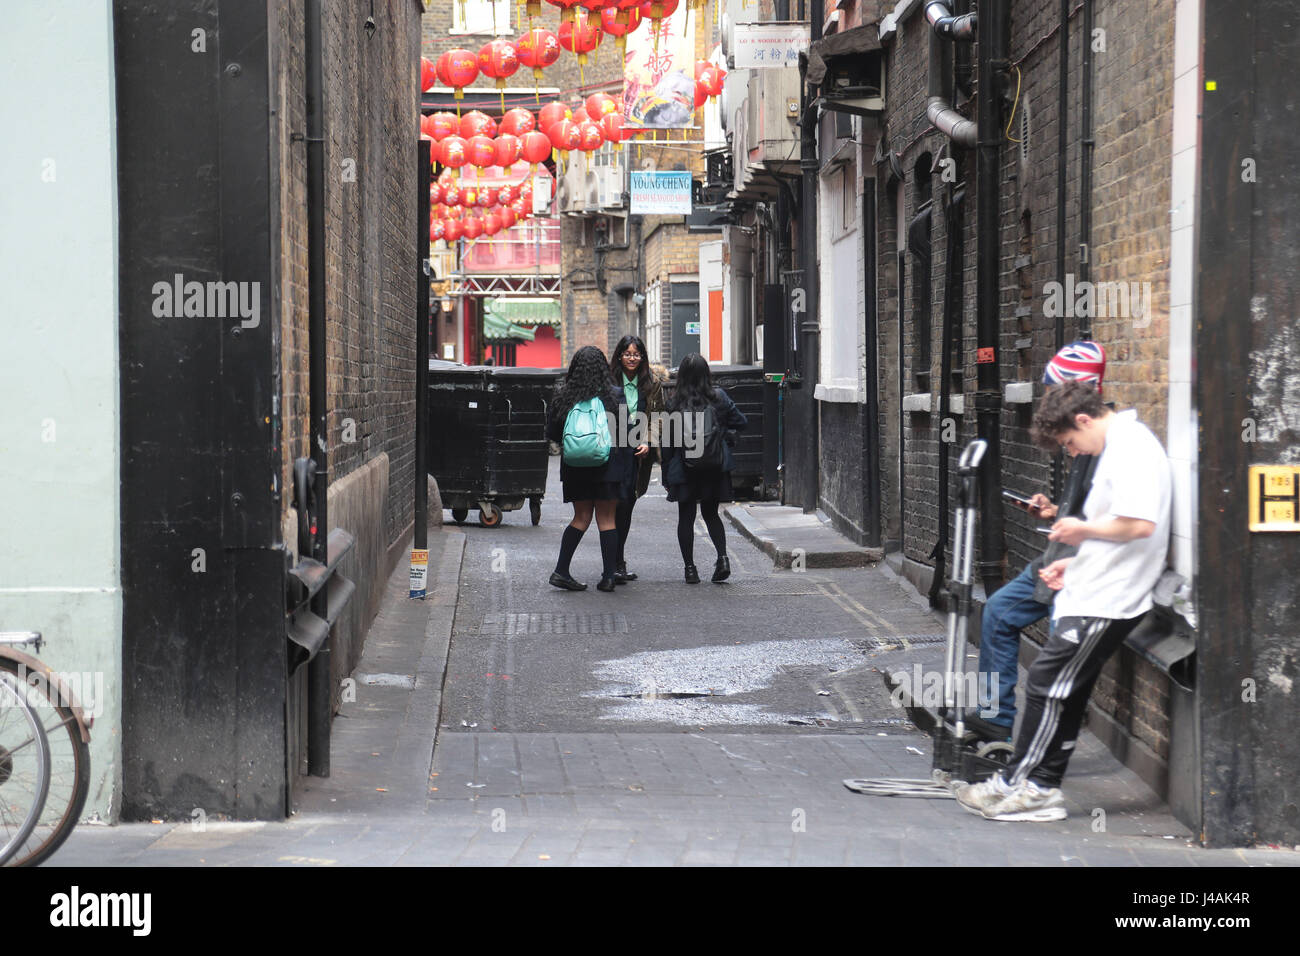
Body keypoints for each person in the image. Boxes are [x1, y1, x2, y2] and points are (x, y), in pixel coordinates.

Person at [956, 380, 1171, 822]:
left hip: (1110, 600)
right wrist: (1071, 565)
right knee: (1061, 691)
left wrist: (1080, 531)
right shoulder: (1113, 447)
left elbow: (1141, 525)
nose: (1072, 451)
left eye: (1070, 441)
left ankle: (1029, 786)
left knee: (1046, 685)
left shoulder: (1133, 449)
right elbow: (1118, 527)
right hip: (1091, 588)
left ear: (1084, 419)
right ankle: (1029, 784)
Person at [967, 341, 1107, 742]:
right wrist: (1054, 512)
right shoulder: (1083, 439)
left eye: (1054, 390)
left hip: (1081, 568)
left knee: (1055, 666)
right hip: (1058, 558)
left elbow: (1122, 520)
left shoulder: (1104, 444)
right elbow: (1084, 508)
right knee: (998, 611)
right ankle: (996, 716)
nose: (1046, 399)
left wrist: (1074, 529)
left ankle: (1046, 747)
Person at [546, 346, 635, 593]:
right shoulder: (615, 395)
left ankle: (561, 571)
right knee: (607, 520)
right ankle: (608, 577)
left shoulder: (564, 396)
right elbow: (625, 436)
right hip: (608, 466)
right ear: (603, 368)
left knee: (580, 518)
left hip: (575, 467)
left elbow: (553, 434)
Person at [660, 354, 748, 584]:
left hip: (684, 468)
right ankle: (723, 559)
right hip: (714, 467)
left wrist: (667, 474)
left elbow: (667, 443)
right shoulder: (719, 397)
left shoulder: (673, 403)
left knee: (686, 518)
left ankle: (690, 569)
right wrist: (724, 437)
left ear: (681, 377)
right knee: (711, 514)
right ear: (706, 373)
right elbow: (742, 422)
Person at [608, 335, 666, 584]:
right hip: (612, 450)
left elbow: (659, 416)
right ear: (619, 355)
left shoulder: (651, 383)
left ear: (642, 357)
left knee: (627, 505)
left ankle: (618, 562)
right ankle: (613, 563)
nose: (631, 358)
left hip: (637, 453)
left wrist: (648, 441)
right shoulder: (608, 381)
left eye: (636, 354)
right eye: (627, 353)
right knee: (612, 505)